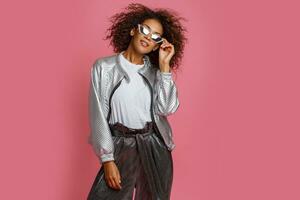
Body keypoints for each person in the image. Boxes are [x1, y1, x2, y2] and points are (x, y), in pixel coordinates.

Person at [87, 3, 187, 200]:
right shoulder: (104, 68)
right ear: (134, 29)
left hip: (154, 146)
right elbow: (97, 114)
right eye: (145, 30)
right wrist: (107, 159)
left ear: (158, 44)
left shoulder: (156, 73)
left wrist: (165, 67)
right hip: (120, 144)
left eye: (156, 36)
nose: (149, 37)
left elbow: (166, 109)